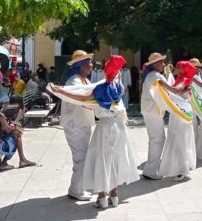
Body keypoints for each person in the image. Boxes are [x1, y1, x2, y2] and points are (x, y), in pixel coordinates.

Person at [52, 55, 139, 209]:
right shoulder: (118, 87)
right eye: (88, 64)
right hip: (117, 126)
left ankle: (102, 198)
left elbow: (84, 98)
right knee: (113, 159)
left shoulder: (99, 88)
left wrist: (61, 92)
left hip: (105, 126)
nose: (92, 66)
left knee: (101, 161)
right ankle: (113, 195)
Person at [60, 50, 95, 201]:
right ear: (80, 65)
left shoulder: (85, 80)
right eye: (88, 64)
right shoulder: (74, 81)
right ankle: (75, 189)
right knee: (81, 157)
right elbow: (83, 100)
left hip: (84, 123)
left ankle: (79, 186)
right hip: (75, 125)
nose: (91, 66)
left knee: (84, 156)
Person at [158, 61, 197, 181]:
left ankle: (182, 170)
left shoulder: (184, 79)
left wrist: (163, 84)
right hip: (179, 112)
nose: (175, 68)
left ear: (183, 69)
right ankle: (181, 167)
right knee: (179, 139)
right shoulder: (181, 78)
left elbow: (175, 90)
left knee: (180, 140)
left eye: (178, 67)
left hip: (181, 113)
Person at [0, 91, 36, 171]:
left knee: (15, 132)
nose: (7, 105)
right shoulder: (0, 115)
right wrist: (16, 120)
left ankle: (21, 160)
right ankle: (13, 162)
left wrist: (10, 124)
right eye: (7, 103)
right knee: (17, 135)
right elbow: (8, 130)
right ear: (4, 103)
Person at [140, 53, 169, 180]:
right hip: (153, 111)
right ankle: (151, 170)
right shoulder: (156, 75)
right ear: (155, 64)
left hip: (150, 110)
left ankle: (150, 169)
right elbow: (169, 89)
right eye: (162, 62)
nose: (164, 64)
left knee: (155, 139)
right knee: (158, 139)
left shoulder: (152, 75)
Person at [189, 58, 202, 140]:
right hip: (195, 102)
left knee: (193, 124)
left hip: (194, 101)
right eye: (196, 67)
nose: (198, 69)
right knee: (194, 124)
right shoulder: (195, 77)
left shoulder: (194, 76)